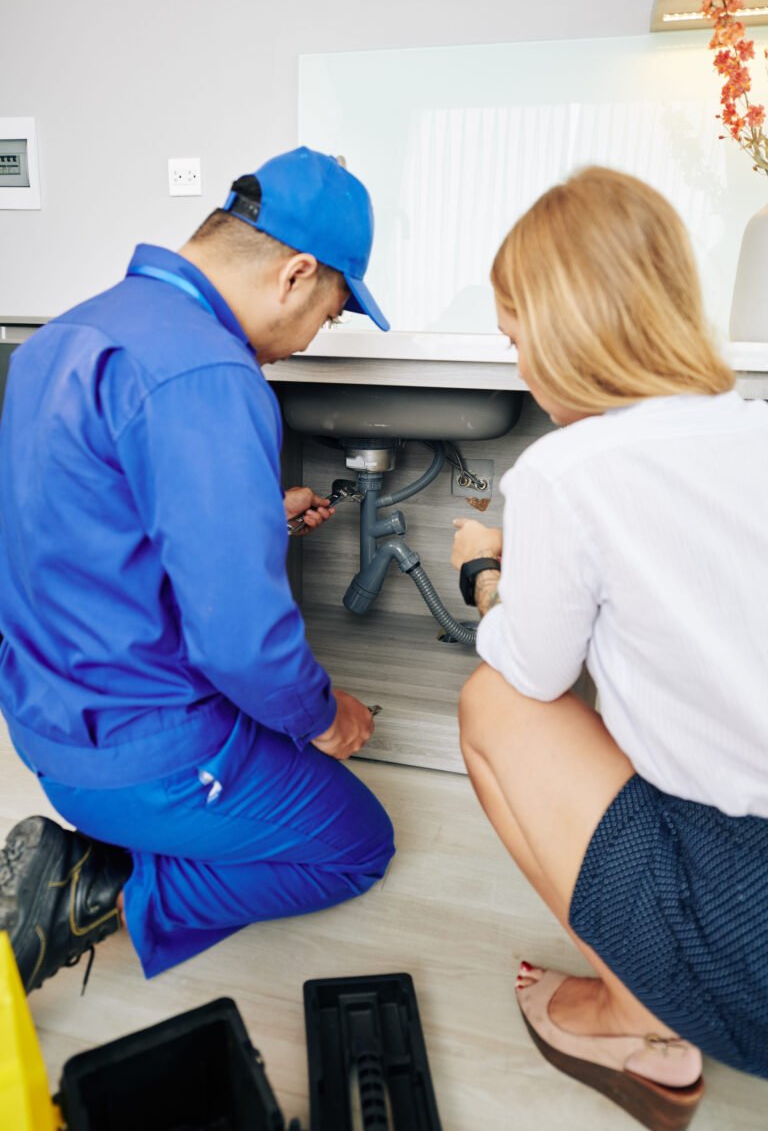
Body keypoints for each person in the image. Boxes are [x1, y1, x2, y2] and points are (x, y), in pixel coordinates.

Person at [0, 146, 395, 992]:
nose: (310, 340)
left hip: (48, 728)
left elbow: (79, 528)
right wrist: (326, 719)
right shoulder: (210, 369)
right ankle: (92, 889)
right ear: (294, 274)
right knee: (358, 845)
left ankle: (114, 845)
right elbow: (245, 648)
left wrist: (248, 519)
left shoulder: (61, 335)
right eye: (329, 315)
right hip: (146, 754)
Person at [451, 166, 768, 1130]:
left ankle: (638, 1018)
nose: (517, 370)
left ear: (560, 329)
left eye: (517, 341)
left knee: (492, 703)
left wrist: (484, 576)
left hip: (748, 941)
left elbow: (534, 668)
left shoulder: (567, 469)